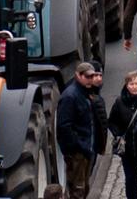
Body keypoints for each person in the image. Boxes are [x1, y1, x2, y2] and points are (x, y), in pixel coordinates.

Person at [58, 61, 104, 199]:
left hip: (86, 149)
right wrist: (79, 146)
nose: (91, 80)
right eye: (87, 77)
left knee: (84, 188)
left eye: (92, 76)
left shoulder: (86, 92)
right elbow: (64, 126)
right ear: (78, 75)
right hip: (78, 153)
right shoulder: (70, 96)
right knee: (78, 190)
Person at [109, 70, 137, 199]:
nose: (134, 87)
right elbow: (111, 122)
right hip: (128, 151)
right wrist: (118, 134)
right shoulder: (120, 102)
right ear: (126, 85)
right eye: (131, 84)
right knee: (131, 181)